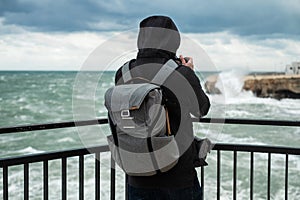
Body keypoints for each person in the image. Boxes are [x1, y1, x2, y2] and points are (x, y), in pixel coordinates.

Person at [111, 15, 210, 200]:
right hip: (178, 176)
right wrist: (189, 72)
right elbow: (201, 109)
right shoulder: (181, 73)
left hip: (137, 175)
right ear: (173, 40)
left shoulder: (123, 73)